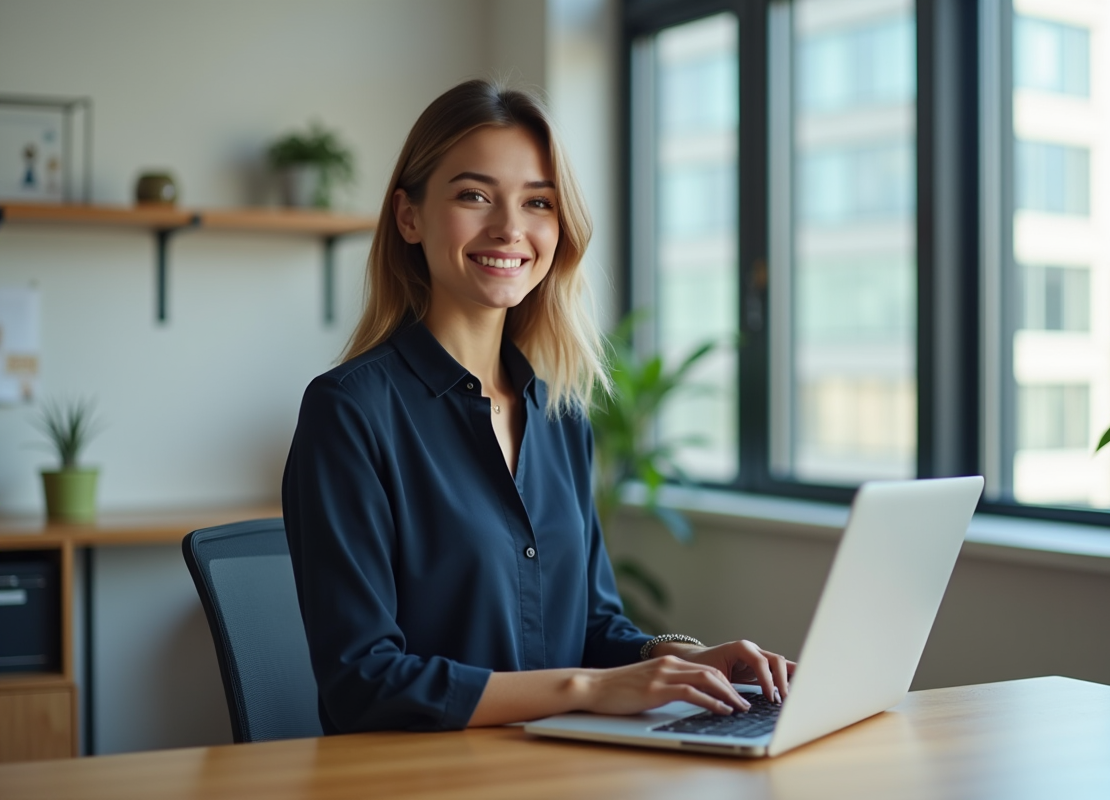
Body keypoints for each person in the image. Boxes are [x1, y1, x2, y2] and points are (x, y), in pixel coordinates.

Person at [282, 78, 794, 734]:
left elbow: (594, 624)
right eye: (474, 196)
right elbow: (364, 681)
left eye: (538, 203)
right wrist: (588, 688)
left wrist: (683, 658)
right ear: (409, 216)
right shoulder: (349, 413)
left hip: (555, 766)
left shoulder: (560, 416)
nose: (509, 229)